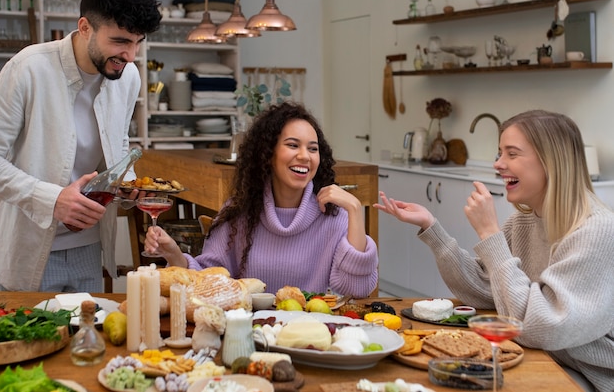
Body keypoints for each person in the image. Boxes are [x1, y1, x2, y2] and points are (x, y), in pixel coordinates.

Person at [374, 110, 614, 392]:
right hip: (537, 354)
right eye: (500, 153)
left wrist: (490, 233)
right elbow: (487, 291)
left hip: (589, 376)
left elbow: (543, 327)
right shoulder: (525, 221)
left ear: (551, 161)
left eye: (512, 154)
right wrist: (432, 228)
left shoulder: (596, 230)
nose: (498, 164)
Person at [0, 0, 161, 292]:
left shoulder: (128, 76)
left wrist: (127, 182)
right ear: (85, 27)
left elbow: (118, 145)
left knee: (89, 337)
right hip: (28, 246)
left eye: (139, 42)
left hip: (89, 246)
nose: (131, 55)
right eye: (121, 41)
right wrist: (53, 199)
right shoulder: (28, 69)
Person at [145, 102, 379, 297]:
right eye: (292, 145)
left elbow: (356, 290)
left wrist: (355, 209)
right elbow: (208, 280)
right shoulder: (240, 212)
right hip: (249, 334)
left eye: (313, 148)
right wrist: (174, 255)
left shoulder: (332, 215)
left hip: (310, 334)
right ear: (268, 154)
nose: (304, 156)